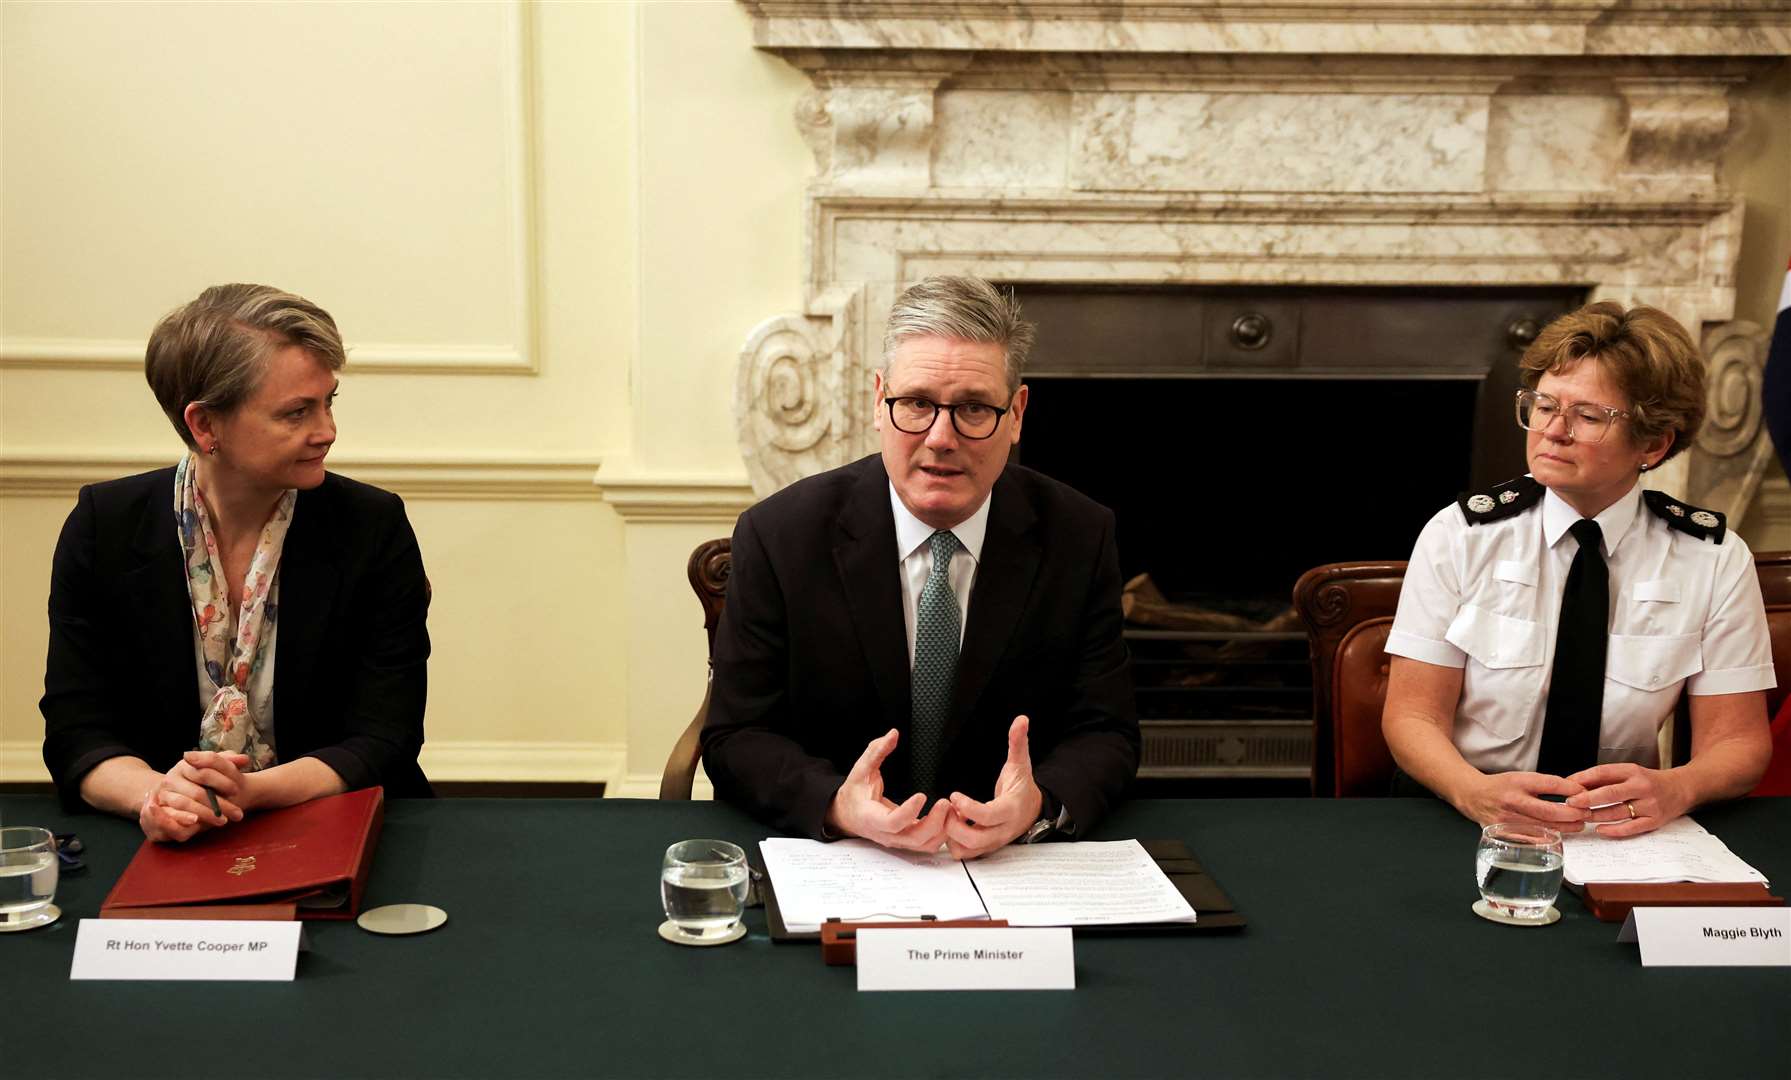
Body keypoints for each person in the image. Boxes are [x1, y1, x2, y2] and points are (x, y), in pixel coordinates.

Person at [701, 275, 1138, 858]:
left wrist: (1036, 802)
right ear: (878, 400)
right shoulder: (781, 535)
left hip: (1012, 866)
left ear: (1017, 414)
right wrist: (836, 803)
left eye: (975, 408)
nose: (940, 438)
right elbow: (737, 735)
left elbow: (1106, 732)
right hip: (840, 860)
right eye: (916, 403)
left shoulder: (1078, 536)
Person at [41, 284, 432, 843]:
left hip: (341, 827)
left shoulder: (372, 524)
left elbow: (384, 737)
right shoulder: (105, 524)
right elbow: (77, 732)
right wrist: (156, 797)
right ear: (204, 426)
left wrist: (245, 793)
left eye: (329, 402)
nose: (327, 431)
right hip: (157, 839)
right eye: (297, 412)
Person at [1382, 302, 1773, 836]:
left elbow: (1739, 744)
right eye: (1543, 406)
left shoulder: (1713, 556)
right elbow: (1411, 718)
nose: (1554, 431)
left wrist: (1676, 788)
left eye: (1588, 416)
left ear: (1653, 445)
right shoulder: (1460, 535)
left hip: (1618, 827)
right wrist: (1474, 794)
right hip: (1464, 809)